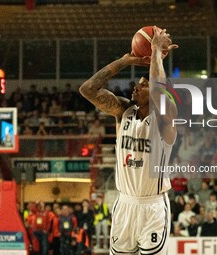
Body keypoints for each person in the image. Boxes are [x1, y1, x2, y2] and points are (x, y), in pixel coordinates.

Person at [79, 26, 178, 255]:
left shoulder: (165, 117)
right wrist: (125, 61)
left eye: (144, 84)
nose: (137, 86)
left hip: (152, 206)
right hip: (124, 203)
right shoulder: (122, 110)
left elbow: (158, 90)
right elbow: (88, 89)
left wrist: (154, 52)